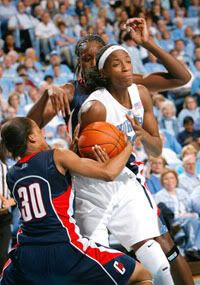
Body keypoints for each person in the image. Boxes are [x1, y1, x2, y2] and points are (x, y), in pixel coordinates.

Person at [27, 18, 193, 285]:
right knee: (93, 259)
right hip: (89, 181)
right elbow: (28, 127)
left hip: (125, 176)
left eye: (95, 58)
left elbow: (182, 78)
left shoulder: (126, 83)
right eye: (84, 59)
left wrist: (146, 43)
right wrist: (47, 93)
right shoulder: (70, 93)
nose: (89, 63)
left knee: (164, 247)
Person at [0, 117, 152, 285]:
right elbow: (109, 172)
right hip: (64, 247)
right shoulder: (57, 156)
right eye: (39, 131)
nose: (43, 134)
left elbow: (47, 177)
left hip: (27, 255)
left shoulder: (12, 174)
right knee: (142, 275)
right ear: (32, 138)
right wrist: (129, 143)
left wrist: (70, 155)